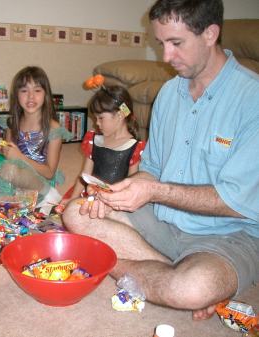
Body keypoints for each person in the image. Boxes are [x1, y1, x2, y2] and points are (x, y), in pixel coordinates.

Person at [62, 0, 259, 321]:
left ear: (210, 34)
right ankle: (166, 271)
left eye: (176, 43)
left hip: (229, 234)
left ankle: (155, 274)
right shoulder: (168, 93)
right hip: (164, 222)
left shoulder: (252, 99)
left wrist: (155, 192)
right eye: (161, 44)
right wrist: (120, 193)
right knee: (76, 212)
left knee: (192, 287)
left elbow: (236, 201)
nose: (166, 57)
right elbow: (151, 169)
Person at [0, 66, 71, 209]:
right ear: (17, 95)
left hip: (39, 181)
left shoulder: (53, 128)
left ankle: (49, 195)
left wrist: (20, 158)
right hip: (17, 177)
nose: (31, 96)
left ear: (46, 94)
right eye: (24, 91)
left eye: (37, 90)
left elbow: (50, 173)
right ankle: (9, 202)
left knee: (9, 169)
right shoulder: (13, 123)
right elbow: (9, 155)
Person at [59, 85, 145, 206]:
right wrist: (73, 198)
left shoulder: (135, 148)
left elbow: (131, 186)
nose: (96, 123)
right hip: (89, 196)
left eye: (101, 118)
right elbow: (85, 175)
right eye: (95, 118)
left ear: (120, 115)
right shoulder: (93, 140)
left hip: (115, 202)